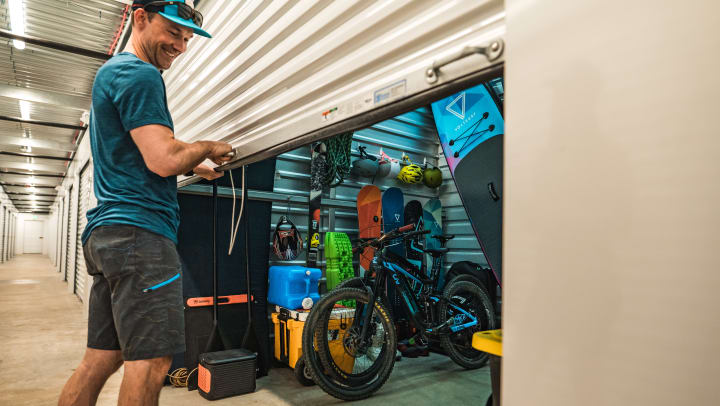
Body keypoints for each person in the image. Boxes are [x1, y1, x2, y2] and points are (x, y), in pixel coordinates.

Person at [58, 2, 231, 405]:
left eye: (187, 38)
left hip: (109, 235)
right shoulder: (140, 75)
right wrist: (205, 145)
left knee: (100, 359)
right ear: (140, 18)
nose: (181, 47)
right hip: (141, 237)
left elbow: (143, 152)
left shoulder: (114, 73)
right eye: (173, 33)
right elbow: (163, 158)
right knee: (152, 364)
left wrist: (195, 162)